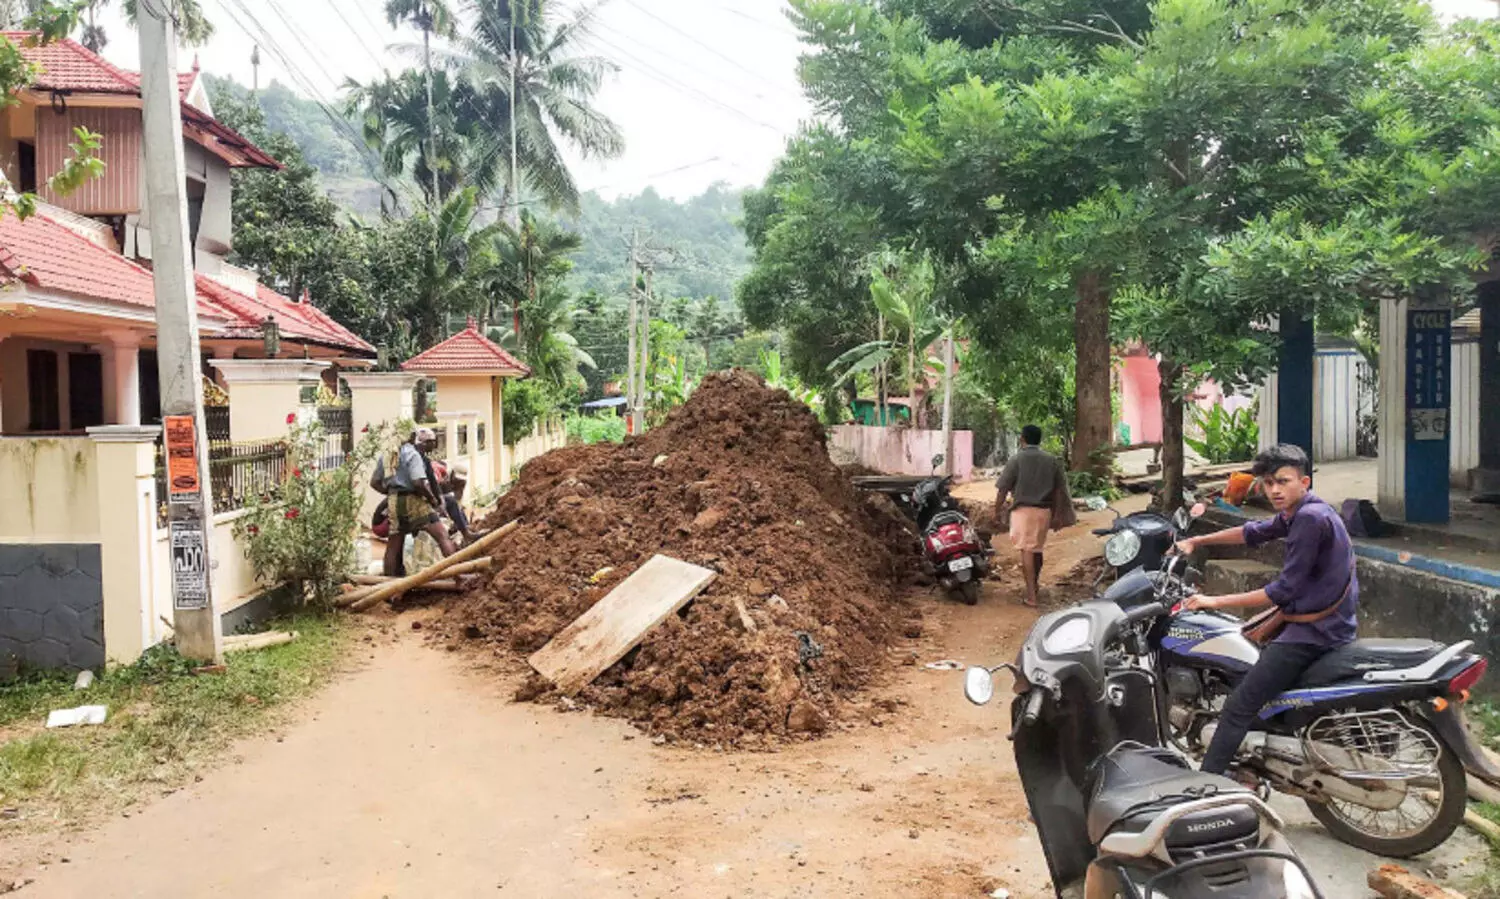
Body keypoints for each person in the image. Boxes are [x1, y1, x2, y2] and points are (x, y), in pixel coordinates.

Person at [1174, 443, 1359, 776]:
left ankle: (1208, 786)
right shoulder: (1304, 511)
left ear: (1304, 483)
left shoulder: (1309, 519)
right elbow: (1252, 532)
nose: (1275, 489)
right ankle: (1256, 764)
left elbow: (1282, 591)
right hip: (1326, 622)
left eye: (1283, 481)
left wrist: (1212, 601)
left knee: (1237, 707)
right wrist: (1198, 542)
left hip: (1314, 633)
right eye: (1269, 482)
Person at [994, 424, 1075, 607]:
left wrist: (997, 510)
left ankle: (1031, 596)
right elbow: (1058, 491)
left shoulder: (1016, 459)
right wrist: (1057, 514)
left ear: (1022, 438)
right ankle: (1035, 585)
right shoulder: (1051, 460)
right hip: (1044, 512)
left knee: (1027, 551)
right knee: (1037, 549)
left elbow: (1003, 488)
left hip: (1023, 512)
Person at [372, 428, 457, 577]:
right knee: (442, 535)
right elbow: (418, 483)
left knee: (393, 545)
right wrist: (432, 500)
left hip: (393, 502)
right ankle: (459, 576)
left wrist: (392, 493)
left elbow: (374, 482)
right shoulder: (412, 454)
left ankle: (388, 588)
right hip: (413, 501)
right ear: (413, 439)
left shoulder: (387, 455)